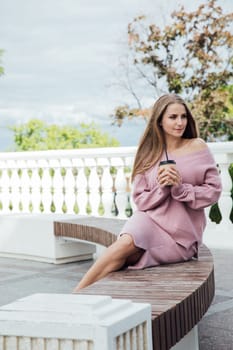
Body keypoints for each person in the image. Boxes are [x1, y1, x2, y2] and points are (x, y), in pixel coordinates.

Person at [73, 93, 222, 292]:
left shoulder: (197, 146)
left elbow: (213, 191)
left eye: (183, 116)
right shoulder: (148, 154)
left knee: (121, 258)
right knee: (123, 246)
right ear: (159, 121)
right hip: (148, 220)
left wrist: (180, 188)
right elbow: (141, 201)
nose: (180, 122)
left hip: (180, 235)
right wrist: (162, 187)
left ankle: (81, 300)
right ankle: (75, 296)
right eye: (173, 117)